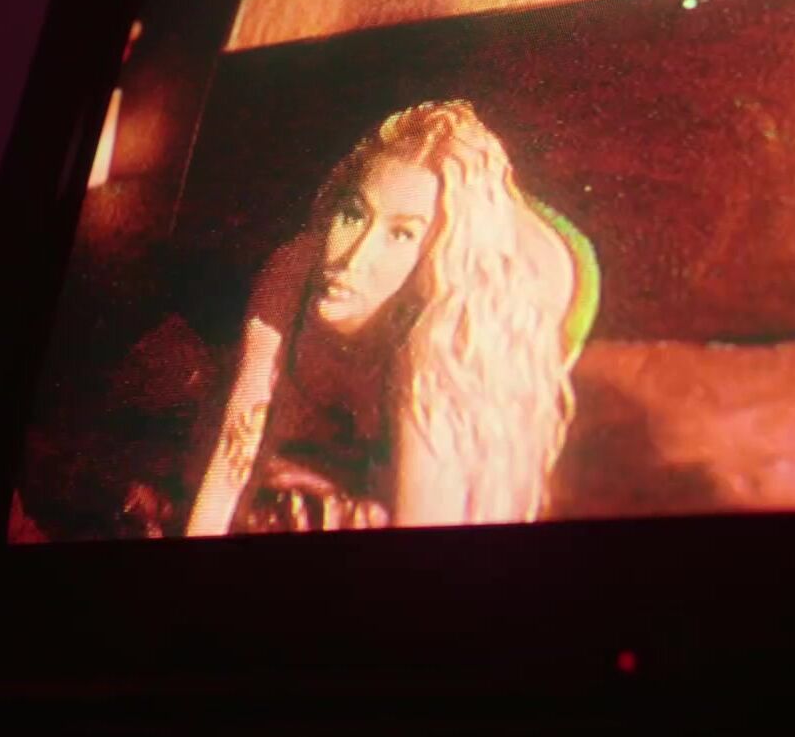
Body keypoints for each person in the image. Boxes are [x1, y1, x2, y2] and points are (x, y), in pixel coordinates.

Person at [185, 100, 597, 535]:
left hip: (547, 266)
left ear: (434, 258)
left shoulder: (454, 321)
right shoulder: (295, 266)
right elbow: (237, 441)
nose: (351, 259)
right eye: (353, 214)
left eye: (401, 235)